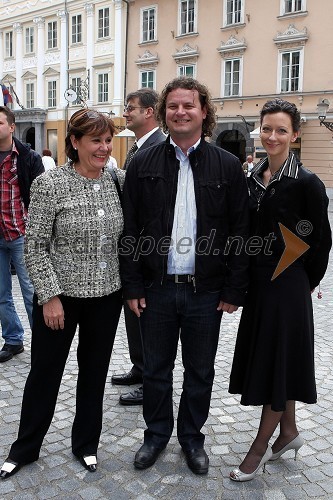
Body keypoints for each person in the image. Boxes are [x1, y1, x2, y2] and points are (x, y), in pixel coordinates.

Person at [119, 77, 249, 475]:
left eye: (188, 106)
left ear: (204, 112)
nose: (180, 112)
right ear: (163, 113)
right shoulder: (142, 162)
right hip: (156, 290)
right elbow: (130, 230)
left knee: (200, 372)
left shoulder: (226, 166)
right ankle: (155, 435)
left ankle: (192, 438)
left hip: (205, 293)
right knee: (155, 370)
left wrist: (233, 289)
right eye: (172, 106)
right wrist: (133, 286)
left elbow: (241, 232)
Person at [0, 109, 125, 479]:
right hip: (61, 299)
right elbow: (34, 246)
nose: (103, 148)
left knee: (94, 372)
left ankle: (86, 444)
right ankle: (25, 448)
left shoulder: (117, 180)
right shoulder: (49, 184)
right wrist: (50, 296)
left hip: (107, 296)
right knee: (44, 372)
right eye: (95, 141)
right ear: (74, 142)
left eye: (107, 141)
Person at [228, 99, 332, 482]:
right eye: (267, 129)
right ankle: (288, 432)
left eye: (281, 130)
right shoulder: (254, 176)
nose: (272, 137)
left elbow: (321, 240)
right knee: (279, 361)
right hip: (260, 286)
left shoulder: (306, 182)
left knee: (276, 360)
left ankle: (259, 448)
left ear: (295, 134)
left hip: (287, 286)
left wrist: (305, 282)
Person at [111, 88, 165, 406]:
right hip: (132, 249)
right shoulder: (136, 146)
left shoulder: (160, 147)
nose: (125, 113)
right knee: (133, 311)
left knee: (148, 316)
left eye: (130, 108)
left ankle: (151, 381)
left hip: (148, 251)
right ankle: (139, 366)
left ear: (149, 112)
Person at [0, 106, 43, 363]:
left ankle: (41, 342)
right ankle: (13, 340)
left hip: (21, 234)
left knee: (31, 292)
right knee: (1, 294)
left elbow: (41, 199)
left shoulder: (27, 157)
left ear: (12, 127)